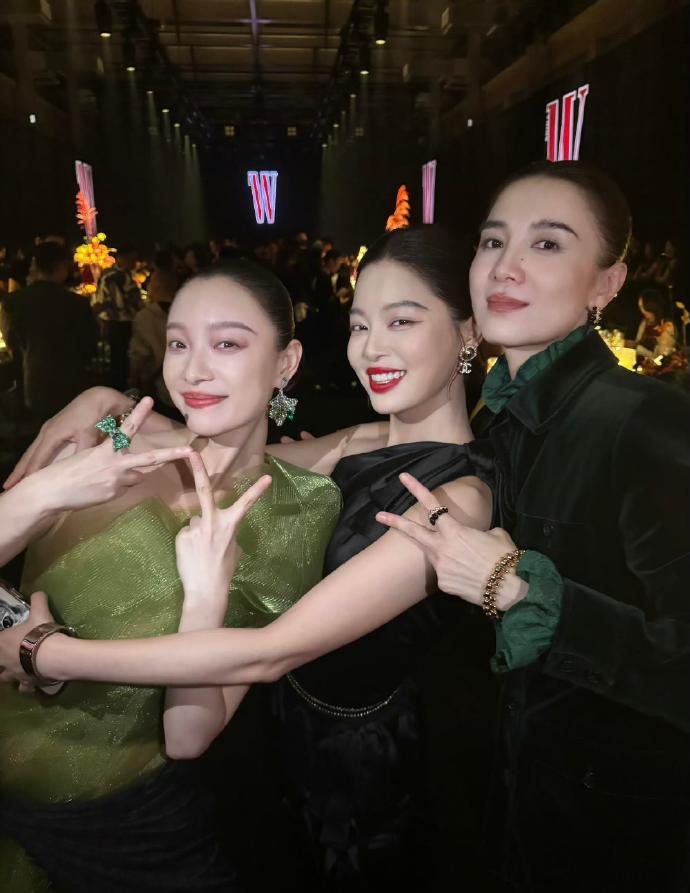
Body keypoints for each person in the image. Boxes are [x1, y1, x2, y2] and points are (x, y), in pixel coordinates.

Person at [0, 227, 495, 891]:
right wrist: (100, 408)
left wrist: (49, 653)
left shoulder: (443, 499)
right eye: (359, 324)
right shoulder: (345, 445)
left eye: (401, 320)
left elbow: (265, 655)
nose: (372, 347)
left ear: (468, 332)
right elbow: (239, 450)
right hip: (261, 753)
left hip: (333, 762)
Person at [376, 161, 690, 892]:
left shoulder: (647, 422)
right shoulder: (497, 420)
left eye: (547, 244)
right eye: (493, 242)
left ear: (606, 283)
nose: (505, 266)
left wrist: (515, 590)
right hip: (503, 799)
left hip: (610, 830)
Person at [0, 260, 342, 892]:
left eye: (227, 344)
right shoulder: (102, 444)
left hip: (128, 828)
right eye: (179, 343)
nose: (193, 370)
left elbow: (190, 735)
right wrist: (48, 489)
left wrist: (204, 598)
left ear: (286, 363)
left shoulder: (294, 510)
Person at [0, 242, 97, 423]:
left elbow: (13, 342)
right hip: (73, 383)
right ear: (62, 268)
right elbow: (90, 346)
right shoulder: (78, 304)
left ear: (34, 265)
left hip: (35, 381)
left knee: (42, 430)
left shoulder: (13, 302)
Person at [94, 244, 143, 390]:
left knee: (115, 358)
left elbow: (98, 301)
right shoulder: (121, 276)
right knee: (122, 358)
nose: (135, 263)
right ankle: (122, 388)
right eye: (132, 259)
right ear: (123, 258)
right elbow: (131, 302)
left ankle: (114, 386)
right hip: (122, 322)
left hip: (108, 321)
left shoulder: (106, 274)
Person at [629, 288, 677, 358]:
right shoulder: (645, 322)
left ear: (652, 306)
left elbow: (661, 356)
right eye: (640, 307)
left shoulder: (666, 325)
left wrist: (639, 349)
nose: (642, 311)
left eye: (643, 307)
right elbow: (637, 341)